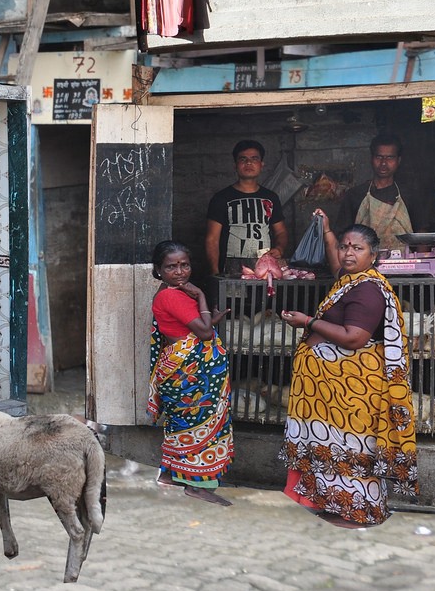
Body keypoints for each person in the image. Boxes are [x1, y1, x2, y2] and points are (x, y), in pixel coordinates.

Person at [277, 223, 417, 528]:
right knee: (333, 448)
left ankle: (360, 513)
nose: (348, 253)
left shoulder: (368, 290)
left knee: (352, 450)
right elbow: (334, 262)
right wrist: (328, 232)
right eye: (344, 246)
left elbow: (354, 337)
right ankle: (335, 505)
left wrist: (308, 322)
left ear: (373, 255)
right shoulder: (349, 279)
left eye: (357, 248)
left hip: (353, 390)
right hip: (333, 392)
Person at [146, 241, 234, 505]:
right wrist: (201, 296)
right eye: (171, 267)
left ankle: (171, 475)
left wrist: (208, 318)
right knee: (200, 421)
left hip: (185, 368)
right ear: (158, 269)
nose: (180, 272)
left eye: (184, 265)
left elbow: (191, 326)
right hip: (189, 371)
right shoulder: (173, 295)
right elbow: (204, 333)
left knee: (183, 421)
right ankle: (197, 484)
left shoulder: (171, 291)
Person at [204, 139, 289, 279]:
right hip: (230, 269)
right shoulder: (221, 198)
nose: (248, 163)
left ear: (261, 165)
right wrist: (215, 272)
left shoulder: (270, 197)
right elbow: (212, 239)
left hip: (264, 269)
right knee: (233, 294)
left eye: (254, 158)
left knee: (263, 293)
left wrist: (280, 248)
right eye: (243, 159)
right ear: (235, 165)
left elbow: (281, 231)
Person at [326, 135, 415, 263]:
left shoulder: (409, 195)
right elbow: (341, 236)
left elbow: (421, 235)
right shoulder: (355, 195)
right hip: (362, 267)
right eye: (379, 157)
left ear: (398, 160)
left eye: (390, 157)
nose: (383, 163)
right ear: (371, 159)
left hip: (405, 267)